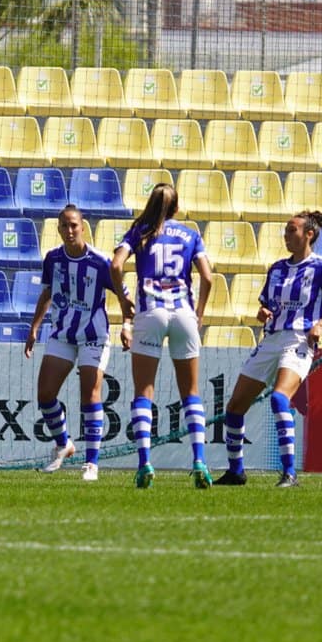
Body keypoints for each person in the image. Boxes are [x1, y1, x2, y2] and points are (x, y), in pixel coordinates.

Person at [216, 211, 322, 488]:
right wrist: (263, 312)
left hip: (299, 340)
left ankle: (289, 473)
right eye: (285, 231)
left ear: (309, 235)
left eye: (292, 230)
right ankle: (236, 472)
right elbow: (266, 305)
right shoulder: (277, 268)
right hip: (271, 339)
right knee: (234, 406)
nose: (286, 235)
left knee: (279, 399)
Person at [110, 182, 215, 489]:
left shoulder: (138, 231)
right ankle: (199, 462)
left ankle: (145, 464)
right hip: (183, 313)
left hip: (150, 312)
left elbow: (116, 265)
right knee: (191, 393)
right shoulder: (190, 234)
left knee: (144, 392)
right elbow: (208, 277)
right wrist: (201, 312)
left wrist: (122, 300)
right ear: (176, 208)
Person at [25, 205, 116, 482]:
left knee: (90, 395)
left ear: (83, 226)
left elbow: (123, 293)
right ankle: (64, 444)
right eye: (64, 226)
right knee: (45, 395)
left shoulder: (100, 261)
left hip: (93, 335)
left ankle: (91, 464)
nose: (70, 230)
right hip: (62, 333)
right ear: (59, 229)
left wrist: (127, 323)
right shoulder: (53, 258)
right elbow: (48, 293)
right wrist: (34, 327)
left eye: (74, 225)